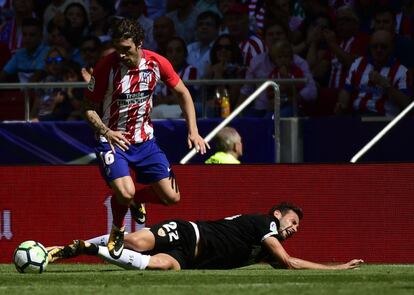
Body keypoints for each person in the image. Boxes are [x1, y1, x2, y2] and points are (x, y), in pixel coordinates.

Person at [83, 18, 209, 260]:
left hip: (145, 141)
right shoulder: (104, 67)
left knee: (172, 197)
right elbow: (88, 108)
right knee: (125, 191)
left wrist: (193, 131)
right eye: (117, 48)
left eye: (126, 49)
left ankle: (137, 201)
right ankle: (118, 229)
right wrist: (107, 132)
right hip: (112, 140)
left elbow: (183, 93)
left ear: (139, 43)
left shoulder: (157, 63)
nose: (120, 54)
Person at [47, 202, 364, 270]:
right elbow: (290, 261)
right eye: (292, 221)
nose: (293, 228)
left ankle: (88, 247)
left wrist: (334, 268)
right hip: (188, 232)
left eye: (298, 227)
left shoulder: (267, 251)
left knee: (160, 266)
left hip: (188, 258)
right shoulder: (266, 223)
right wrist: (337, 268)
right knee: (132, 241)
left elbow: (291, 264)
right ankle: (66, 250)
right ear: (278, 215)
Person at [334, 30, 411, 117]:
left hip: (384, 120)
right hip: (358, 117)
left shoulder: (401, 71)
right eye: (375, 46)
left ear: (391, 48)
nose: (379, 50)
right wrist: (341, 104)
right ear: (370, 47)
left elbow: (407, 105)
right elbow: (346, 90)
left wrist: (387, 86)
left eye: (383, 47)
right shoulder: (358, 63)